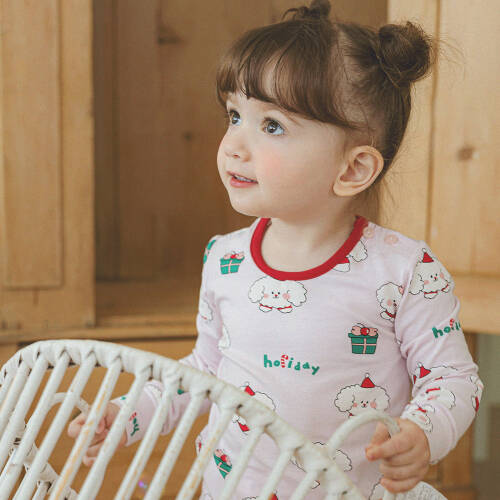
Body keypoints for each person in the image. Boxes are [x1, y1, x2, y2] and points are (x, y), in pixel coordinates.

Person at [68, 1, 483, 498]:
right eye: (234, 115)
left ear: (352, 169)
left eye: (272, 126)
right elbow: (206, 371)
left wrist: (422, 434)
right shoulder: (224, 260)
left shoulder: (404, 271)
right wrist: (128, 413)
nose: (233, 145)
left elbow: (452, 378)